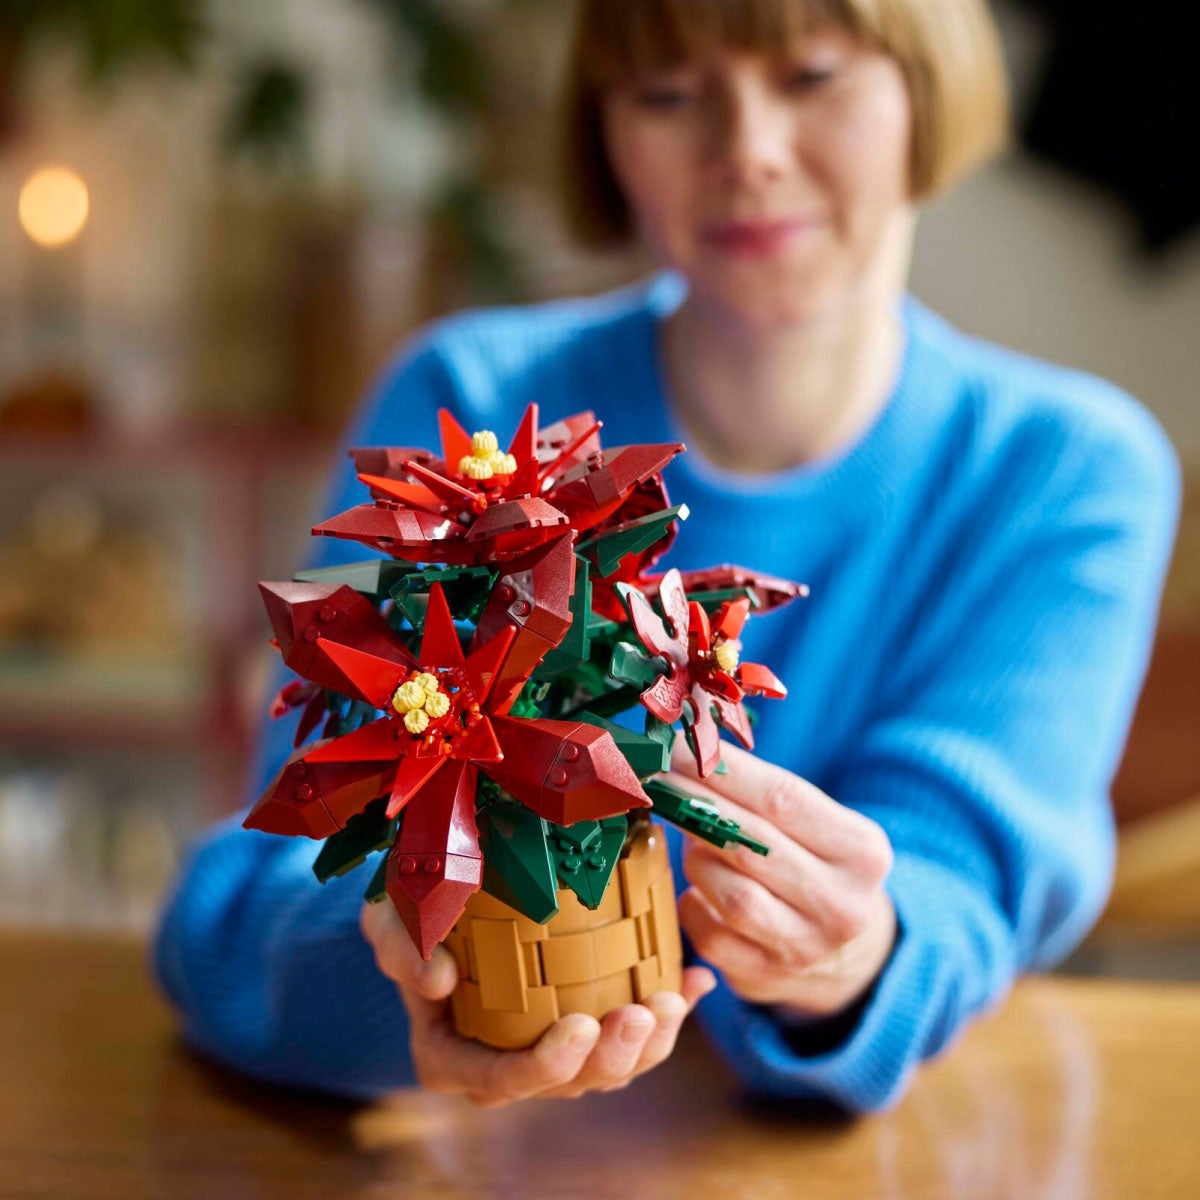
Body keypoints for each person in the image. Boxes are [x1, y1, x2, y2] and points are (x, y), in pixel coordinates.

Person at [152, 0, 1180, 1112]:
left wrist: (857, 962)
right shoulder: (468, 421)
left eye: (813, 76)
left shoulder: (1063, 475)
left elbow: (955, 881)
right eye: (669, 94)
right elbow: (243, 908)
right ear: (604, 132)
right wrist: (409, 979)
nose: (747, 154)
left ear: (925, 92)